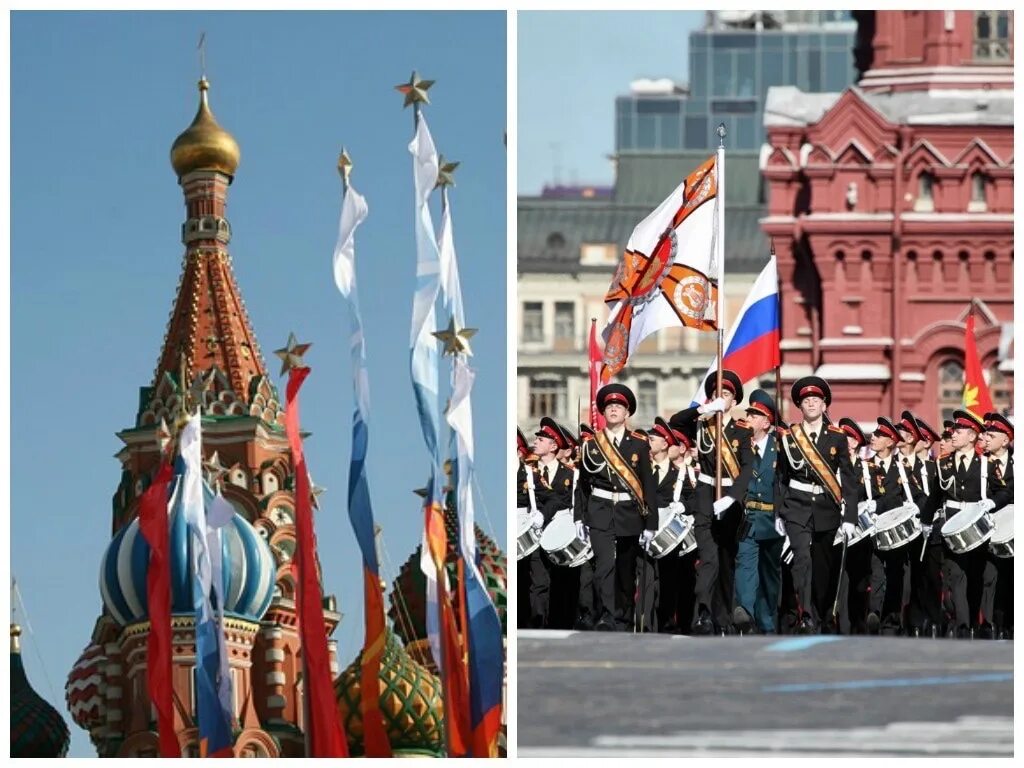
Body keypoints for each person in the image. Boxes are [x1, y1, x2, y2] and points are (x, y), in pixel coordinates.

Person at [669, 370, 754, 634]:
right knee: (708, 559)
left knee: (726, 562)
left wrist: (732, 497)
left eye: (726, 394)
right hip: (706, 493)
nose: (722, 397)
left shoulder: (742, 431)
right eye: (718, 393)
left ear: (734, 401)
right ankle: (703, 613)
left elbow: (748, 468)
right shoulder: (702, 426)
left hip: (730, 499)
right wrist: (703, 409)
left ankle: (723, 618)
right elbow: (675, 422)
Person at [775, 376, 859, 634]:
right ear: (800, 407)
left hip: (826, 508)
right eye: (806, 400)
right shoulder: (789, 438)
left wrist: (850, 518)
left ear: (824, 406)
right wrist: (780, 512)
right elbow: (780, 478)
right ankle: (807, 615)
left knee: (823, 568)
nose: (811, 403)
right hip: (796, 507)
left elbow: (849, 479)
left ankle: (822, 613)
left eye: (816, 400)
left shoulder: (837, 438)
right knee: (802, 560)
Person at [575, 384, 659, 631]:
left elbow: (648, 486)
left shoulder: (639, 444)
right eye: (609, 406)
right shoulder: (591, 445)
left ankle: (623, 616)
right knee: (603, 566)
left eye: (618, 406)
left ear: (627, 413)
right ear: (602, 412)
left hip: (629, 512)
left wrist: (651, 524)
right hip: (599, 510)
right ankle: (606, 615)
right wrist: (579, 517)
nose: (613, 409)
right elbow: (582, 486)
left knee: (626, 568)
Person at [936, 410, 1001, 638]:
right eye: (953, 431)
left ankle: (972, 621)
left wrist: (992, 502)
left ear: (972, 437)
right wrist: (925, 522)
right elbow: (936, 495)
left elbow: (1006, 491)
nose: (953, 435)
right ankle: (962, 627)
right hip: (952, 526)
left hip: (977, 528)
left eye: (959, 431)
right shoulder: (943, 464)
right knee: (955, 577)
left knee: (975, 577)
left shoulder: (986, 465)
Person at [865, 417, 926, 635]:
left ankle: (892, 619)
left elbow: (920, 497)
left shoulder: (903, 469)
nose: (873, 437)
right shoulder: (865, 468)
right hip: (873, 532)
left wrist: (915, 511)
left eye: (879, 435)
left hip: (898, 534)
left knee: (896, 575)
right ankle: (874, 614)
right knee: (876, 573)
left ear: (891, 442)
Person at [732, 389, 784, 634]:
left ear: (766, 422)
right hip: (748, 518)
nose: (748, 418)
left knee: (769, 576)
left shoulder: (780, 449)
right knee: (745, 566)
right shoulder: (740, 448)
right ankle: (745, 613)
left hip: (773, 520)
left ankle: (766, 624)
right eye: (749, 414)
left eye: (754, 415)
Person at [524, 417, 574, 628]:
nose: (536, 441)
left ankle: (560, 623)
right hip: (536, 532)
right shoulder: (528, 472)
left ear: (554, 446)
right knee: (538, 582)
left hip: (560, 534)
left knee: (562, 581)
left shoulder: (570, 474)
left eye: (542, 439)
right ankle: (537, 623)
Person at [905, 413, 946, 637]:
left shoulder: (935, 468)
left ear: (927, 441)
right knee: (914, 577)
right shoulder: (905, 468)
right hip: (912, 530)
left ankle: (934, 620)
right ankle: (915, 621)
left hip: (934, 531)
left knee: (932, 576)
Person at [982, 412, 1013, 639]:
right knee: (989, 579)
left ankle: (1011, 626)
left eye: (992, 435)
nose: (986, 438)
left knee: (1011, 579)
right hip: (990, 532)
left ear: (1005, 440)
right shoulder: (980, 464)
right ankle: (990, 626)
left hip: (1013, 532)